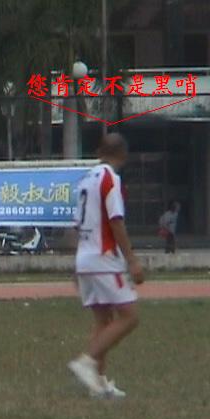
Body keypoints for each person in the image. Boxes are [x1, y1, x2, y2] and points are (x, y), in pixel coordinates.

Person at [68, 133, 144, 398]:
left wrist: (76, 264)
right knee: (130, 316)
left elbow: (77, 225)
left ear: (100, 151)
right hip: (104, 258)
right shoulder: (110, 179)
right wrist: (131, 259)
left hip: (85, 257)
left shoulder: (85, 180)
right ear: (123, 154)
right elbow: (116, 220)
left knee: (103, 320)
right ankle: (86, 362)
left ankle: (98, 384)